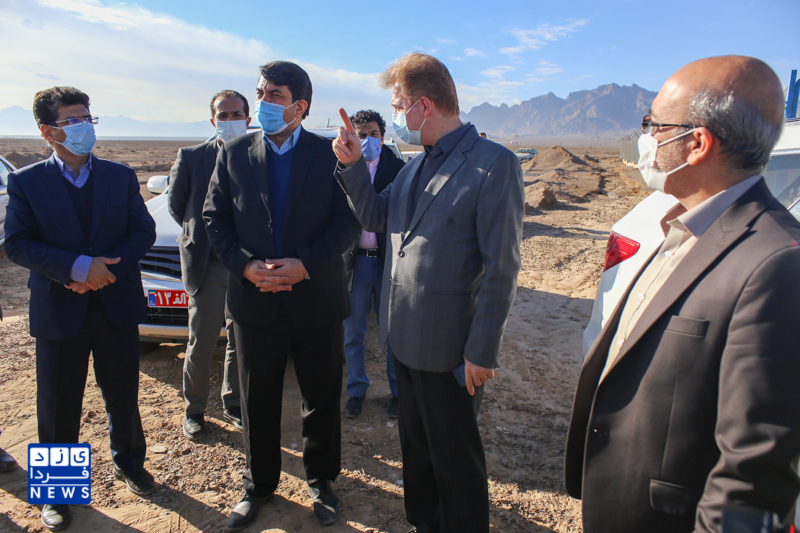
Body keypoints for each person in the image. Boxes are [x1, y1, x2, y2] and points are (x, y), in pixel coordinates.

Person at [564, 56, 800, 533]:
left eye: (654, 126)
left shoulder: (776, 264)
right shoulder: (676, 227)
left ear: (697, 143)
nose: (646, 138)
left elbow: (752, 475)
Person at [333, 52, 524, 533]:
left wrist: (482, 351)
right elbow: (377, 217)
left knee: (455, 463)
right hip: (405, 342)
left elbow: (502, 268)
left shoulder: (493, 165)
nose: (396, 116)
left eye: (398, 106)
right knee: (417, 455)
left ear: (423, 106)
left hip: (453, 352)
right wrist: (353, 166)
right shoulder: (414, 167)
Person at [203, 61, 359, 531]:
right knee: (258, 400)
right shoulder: (234, 153)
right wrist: (246, 266)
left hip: (316, 301)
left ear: (300, 106)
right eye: (261, 93)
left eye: (274, 95)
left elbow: (348, 221)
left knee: (321, 399)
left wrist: (305, 264)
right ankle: (259, 484)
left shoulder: (329, 154)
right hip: (256, 301)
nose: (263, 102)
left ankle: (321, 481)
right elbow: (215, 218)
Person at [4, 86, 157, 531]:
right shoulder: (27, 181)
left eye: (87, 118)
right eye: (72, 121)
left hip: (115, 303)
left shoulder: (119, 176)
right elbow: (17, 243)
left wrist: (104, 270)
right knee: (58, 402)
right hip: (60, 306)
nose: (83, 127)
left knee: (123, 393)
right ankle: (58, 491)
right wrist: (75, 267)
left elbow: (142, 231)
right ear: (47, 131)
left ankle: (130, 463)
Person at [168, 90, 250, 439]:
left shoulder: (257, 155)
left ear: (248, 119)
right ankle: (195, 410)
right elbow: (177, 206)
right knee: (201, 341)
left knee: (239, 339)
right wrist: (201, 238)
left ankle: (233, 403)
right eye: (223, 115)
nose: (229, 121)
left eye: (236, 115)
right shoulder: (191, 157)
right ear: (213, 120)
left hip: (245, 265)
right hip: (209, 265)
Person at [341, 109, 404, 419]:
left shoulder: (399, 170)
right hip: (356, 264)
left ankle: (398, 393)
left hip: (389, 262)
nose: (368, 140)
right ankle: (356, 391)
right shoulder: (341, 168)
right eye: (361, 135)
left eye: (374, 134)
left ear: (383, 136)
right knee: (353, 332)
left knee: (392, 333)